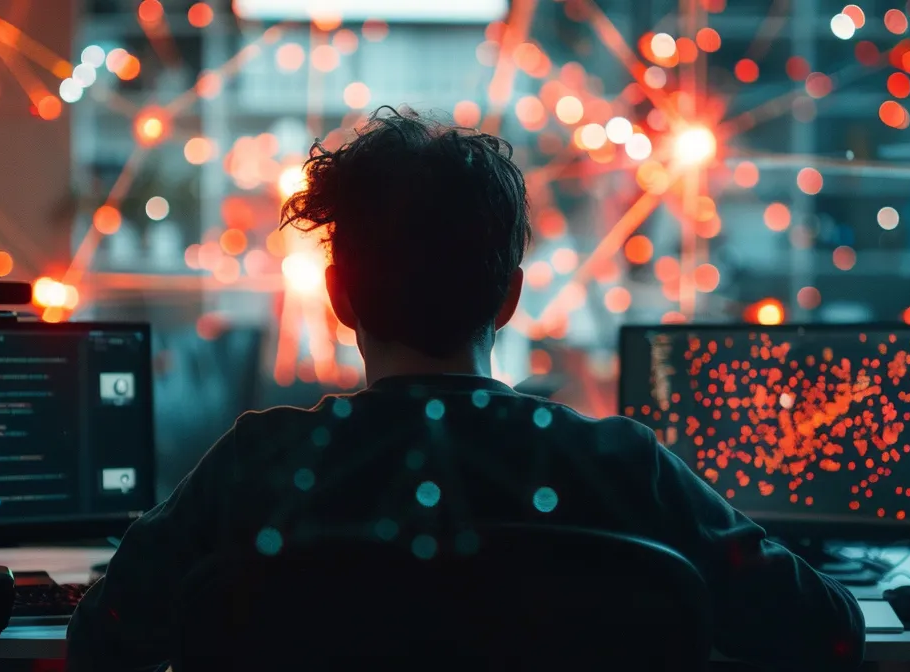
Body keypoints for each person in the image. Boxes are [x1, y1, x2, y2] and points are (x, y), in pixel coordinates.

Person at [67, 107, 864, 671]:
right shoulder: (621, 465)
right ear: (510, 297)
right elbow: (829, 634)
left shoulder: (253, 467)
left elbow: (100, 639)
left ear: (337, 296)